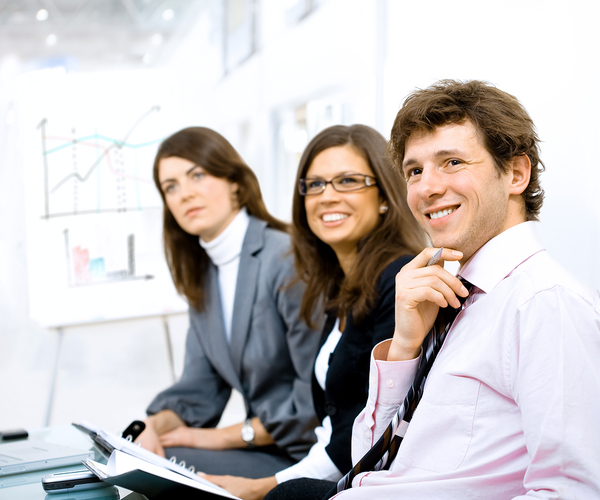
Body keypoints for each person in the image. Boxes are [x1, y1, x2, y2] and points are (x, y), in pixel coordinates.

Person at [319, 80, 600, 499]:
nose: (426, 188)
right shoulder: (450, 295)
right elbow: (370, 465)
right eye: (415, 171)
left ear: (516, 174)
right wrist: (405, 348)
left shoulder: (544, 305)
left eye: (451, 162)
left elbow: (572, 492)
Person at [201, 124, 427, 499]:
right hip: (325, 465)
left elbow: (370, 431)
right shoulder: (341, 283)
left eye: (348, 181)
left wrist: (264, 488)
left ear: (385, 196)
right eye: (316, 184)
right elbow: (332, 429)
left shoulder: (399, 281)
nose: (327, 196)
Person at [135, 126, 321, 478]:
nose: (184, 194)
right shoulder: (204, 275)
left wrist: (220, 438)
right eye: (170, 187)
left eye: (197, 175)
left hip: (307, 450)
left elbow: (315, 397)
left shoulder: (286, 258)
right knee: (148, 456)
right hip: (267, 446)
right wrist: (151, 426)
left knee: (164, 470)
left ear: (235, 182)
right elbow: (199, 388)